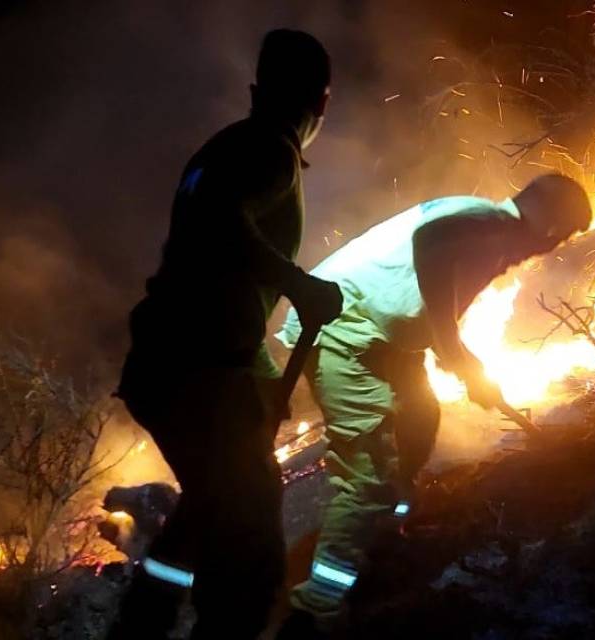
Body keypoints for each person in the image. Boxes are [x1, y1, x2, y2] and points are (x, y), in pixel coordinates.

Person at [274, 174, 593, 635]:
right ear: (546, 221)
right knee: (369, 476)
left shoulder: (487, 228)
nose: (552, 247)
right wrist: (448, 342)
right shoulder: (491, 221)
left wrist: (456, 359)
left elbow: (428, 293)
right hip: (345, 329)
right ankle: (314, 609)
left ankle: (385, 533)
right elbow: (431, 242)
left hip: (387, 340)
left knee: (421, 421)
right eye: (561, 234)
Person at [111, 29, 343, 639]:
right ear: (321, 104)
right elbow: (219, 221)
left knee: (216, 503)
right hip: (196, 373)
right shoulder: (270, 150)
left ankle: (142, 623)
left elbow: (220, 282)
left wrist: (262, 381)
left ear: (255, 89)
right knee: (250, 532)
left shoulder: (225, 147)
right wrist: (298, 282)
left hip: (178, 365)